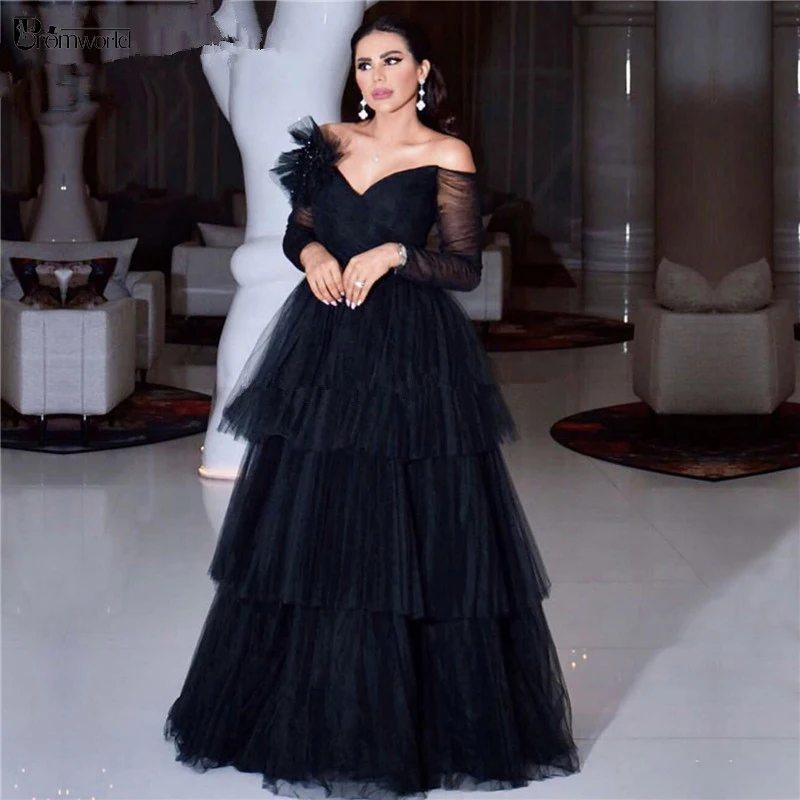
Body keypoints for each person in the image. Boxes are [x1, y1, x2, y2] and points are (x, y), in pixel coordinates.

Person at [164, 15, 580, 798]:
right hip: (323, 347)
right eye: (364, 64)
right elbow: (296, 232)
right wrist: (317, 253)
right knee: (314, 526)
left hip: (411, 356)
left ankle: (411, 719)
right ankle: (308, 706)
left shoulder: (446, 154)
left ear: (421, 71)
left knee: (411, 529)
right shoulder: (326, 141)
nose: (377, 77)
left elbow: (462, 268)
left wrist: (395, 254)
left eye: (392, 61)